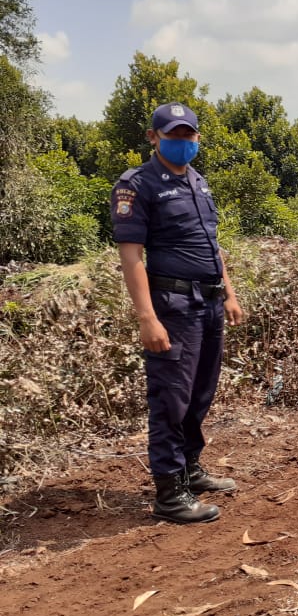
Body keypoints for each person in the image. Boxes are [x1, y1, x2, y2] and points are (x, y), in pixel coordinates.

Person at [111, 102, 243, 523]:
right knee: (171, 398)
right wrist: (147, 318)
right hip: (173, 307)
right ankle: (169, 494)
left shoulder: (200, 183)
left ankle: (191, 468)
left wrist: (230, 292)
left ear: (197, 138)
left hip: (208, 304)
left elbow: (211, 246)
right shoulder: (137, 185)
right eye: (173, 134)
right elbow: (131, 256)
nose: (182, 141)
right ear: (153, 137)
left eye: (188, 135)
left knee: (201, 392)